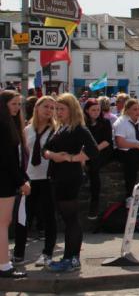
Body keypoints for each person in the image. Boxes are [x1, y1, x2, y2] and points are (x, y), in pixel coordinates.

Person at [43, 93, 99, 273]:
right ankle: (71, 258)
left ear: (71, 109)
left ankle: (71, 258)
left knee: (71, 219)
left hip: (69, 176)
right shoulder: (60, 128)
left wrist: (71, 158)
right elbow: (45, 149)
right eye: (56, 109)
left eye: (61, 109)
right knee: (68, 219)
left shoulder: (78, 129)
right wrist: (53, 155)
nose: (57, 112)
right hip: (58, 176)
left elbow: (93, 150)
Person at [16, 96, 57, 268]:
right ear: (37, 108)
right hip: (30, 178)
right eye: (46, 106)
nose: (49, 110)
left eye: (52, 108)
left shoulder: (55, 130)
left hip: (48, 178)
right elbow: (21, 154)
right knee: (23, 217)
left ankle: (47, 253)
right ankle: (18, 254)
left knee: (49, 217)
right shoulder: (27, 130)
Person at [0, 91, 30, 278]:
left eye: (19, 104)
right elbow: (8, 159)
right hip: (4, 181)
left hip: (6, 179)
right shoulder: (4, 126)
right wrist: (22, 181)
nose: (18, 107)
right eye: (14, 104)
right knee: (3, 223)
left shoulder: (9, 124)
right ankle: (4, 265)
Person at [84, 98, 115, 219]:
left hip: (103, 150)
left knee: (94, 166)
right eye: (93, 110)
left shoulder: (105, 122)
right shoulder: (83, 123)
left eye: (98, 110)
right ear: (87, 110)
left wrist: (92, 151)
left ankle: (95, 202)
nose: (96, 112)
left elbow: (107, 141)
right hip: (88, 151)